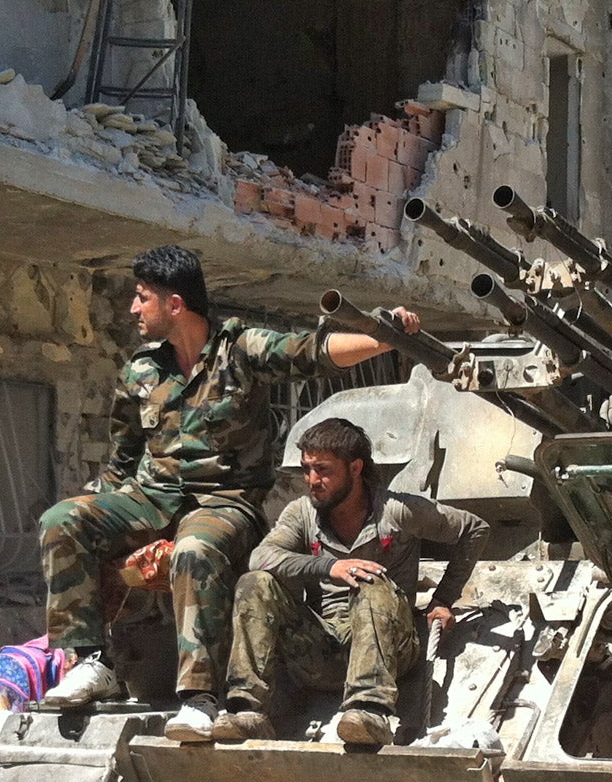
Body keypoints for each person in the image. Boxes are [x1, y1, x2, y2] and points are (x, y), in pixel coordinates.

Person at [40, 247, 426, 740]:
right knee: (62, 520)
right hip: (151, 496)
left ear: (175, 305)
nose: (134, 310)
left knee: (194, 550)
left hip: (223, 501)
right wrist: (103, 522)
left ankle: (198, 699)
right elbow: (122, 457)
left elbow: (310, 353)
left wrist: (382, 336)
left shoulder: (241, 350)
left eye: (142, 298)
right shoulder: (141, 372)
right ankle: (93, 662)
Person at [216, 415, 489, 746]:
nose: (312, 480)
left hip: (391, 649)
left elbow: (474, 529)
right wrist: (329, 566)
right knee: (254, 583)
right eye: (306, 469)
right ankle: (248, 712)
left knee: (370, 579)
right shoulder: (302, 513)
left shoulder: (397, 511)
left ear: (355, 469)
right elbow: (262, 558)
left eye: (323, 470)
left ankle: (369, 711)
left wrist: (443, 599)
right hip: (322, 651)